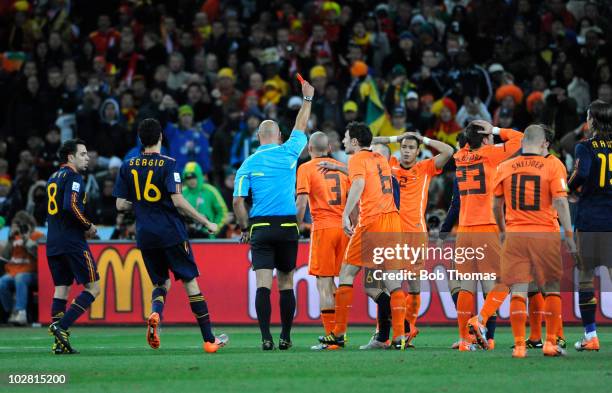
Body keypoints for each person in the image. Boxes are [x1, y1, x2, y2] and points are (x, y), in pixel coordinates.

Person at [113, 119, 227, 353]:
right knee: (190, 282)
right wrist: (206, 222)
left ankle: (156, 312)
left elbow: (120, 205)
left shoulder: (127, 165)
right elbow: (178, 201)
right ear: (161, 138)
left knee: (161, 283)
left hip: (145, 235)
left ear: (140, 139)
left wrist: (142, 203)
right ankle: (209, 339)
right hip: (171, 233)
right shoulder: (169, 164)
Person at [233, 79, 314, 350]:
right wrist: (307, 100)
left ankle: (266, 337)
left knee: (263, 285)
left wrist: (245, 228)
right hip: (288, 225)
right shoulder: (289, 153)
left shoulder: (247, 163)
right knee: (287, 282)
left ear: (258, 137)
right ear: (279, 136)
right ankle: (286, 336)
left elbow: (237, 201)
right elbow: (301, 126)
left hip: (261, 227)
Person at [318, 122, 407, 350]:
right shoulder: (379, 158)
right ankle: (399, 336)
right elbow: (366, 176)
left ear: (355, 142)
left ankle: (338, 333)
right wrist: (338, 168)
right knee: (392, 281)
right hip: (392, 220)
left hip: (372, 221)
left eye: (346, 138)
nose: (344, 142)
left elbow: (359, 182)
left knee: (346, 272)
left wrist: (345, 214)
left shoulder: (356, 159)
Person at [492, 124, 575, 357]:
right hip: (545, 232)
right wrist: (569, 235)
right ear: (543, 143)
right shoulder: (553, 165)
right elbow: (560, 202)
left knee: (518, 290)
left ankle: (519, 346)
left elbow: (495, 204)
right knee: (551, 288)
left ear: (522, 142)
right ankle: (550, 343)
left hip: (515, 233)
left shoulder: (505, 166)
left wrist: (501, 230)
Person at [453, 120, 523, 351]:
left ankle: (465, 340)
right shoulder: (491, 155)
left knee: (466, 286)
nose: (493, 141)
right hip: (486, 226)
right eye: (490, 138)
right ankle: (488, 336)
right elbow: (522, 138)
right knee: (493, 283)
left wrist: (475, 131)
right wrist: (494, 129)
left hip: (463, 228)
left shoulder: (459, 157)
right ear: (484, 140)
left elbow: (466, 143)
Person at [46, 139, 100, 354]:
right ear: (71, 157)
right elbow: (71, 206)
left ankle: (59, 344)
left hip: (53, 242)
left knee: (62, 288)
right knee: (94, 288)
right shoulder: (74, 176)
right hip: (72, 241)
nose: (87, 157)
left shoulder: (52, 178)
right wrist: (88, 225)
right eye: (83, 154)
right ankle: (61, 327)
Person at [295, 132, 349, 347]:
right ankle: (340, 331)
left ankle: (331, 337)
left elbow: (301, 203)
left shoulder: (306, 168)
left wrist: (296, 226)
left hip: (323, 228)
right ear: (328, 148)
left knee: (324, 284)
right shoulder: (342, 167)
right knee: (342, 283)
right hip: (345, 228)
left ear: (309, 149)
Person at [568, 99, 612, 352]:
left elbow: (581, 174)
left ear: (592, 120)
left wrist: (566, 186)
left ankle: (591, 336)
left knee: (585, 277)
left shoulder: (585, 147)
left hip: (591, 219)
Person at [0, 211, 44, 325]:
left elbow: (40, 255)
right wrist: (10, 240)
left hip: (32, 273)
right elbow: (5, 256)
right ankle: (11, 312)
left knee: (20, 278)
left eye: (22, 225)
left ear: (29, 224)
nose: (19, 228)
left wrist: (26, 239)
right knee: (2, 282)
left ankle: (21, 312)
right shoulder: (14, 238)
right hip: (14, 272)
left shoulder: (38, 235)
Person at [181, 161, 228, 239]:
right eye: (188, 178)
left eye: (194, 177)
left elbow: (222, 211)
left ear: (199, 176)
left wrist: (214, 229)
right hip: (187, 236)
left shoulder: (211, 191)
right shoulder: (181, 193)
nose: (191, 180)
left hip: (207, 237)